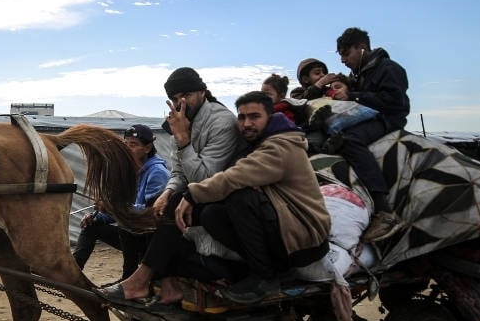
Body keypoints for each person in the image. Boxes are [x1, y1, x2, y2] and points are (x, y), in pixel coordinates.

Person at [108, 91, 331, 305]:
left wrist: (192, 193)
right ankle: (158, 280)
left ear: (270, 117)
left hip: (302, 236)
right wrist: (177, 193)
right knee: (207, 212)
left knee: (240, 196)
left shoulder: (282, 145)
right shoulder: (251, 143)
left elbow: (235, 176)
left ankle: (265, 278)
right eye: (242, 117)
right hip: (280, 228)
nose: (246, 123)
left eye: (254, 116)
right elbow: (183, 172)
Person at [323, 27, 410, 243]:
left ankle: (383, 209)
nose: (343, 60)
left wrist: (353, 95)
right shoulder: (362, 73)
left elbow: (394, 101)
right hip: (370, 116)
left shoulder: (389, 68)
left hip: (387, 119)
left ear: (362, 48)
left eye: (345, 53)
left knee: (351, 140)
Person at [72, 124, 171, 279]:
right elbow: (121, 211)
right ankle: (72, 271)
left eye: (133, 145)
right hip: (133, 234)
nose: (127, 149)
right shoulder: (129, 171)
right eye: (125, 144)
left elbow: (148, 214)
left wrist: (112, 207)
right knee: (92, 226)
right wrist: (98, 215)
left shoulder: (157, 173)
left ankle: (128, 278)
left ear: (147, 148)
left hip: (150, 239)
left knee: (127, 227)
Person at [152, 67, 242, 219]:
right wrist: (167, 191)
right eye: (175, 99)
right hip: (194, 193)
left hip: (223, 197)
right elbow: (178, 173)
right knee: (158, 204)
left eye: (186, 95)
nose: (181, 103)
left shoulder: (222, 122)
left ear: (202, 92)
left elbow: (204, 180)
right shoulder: (178, 123)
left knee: (176, 205)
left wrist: (183, 140)